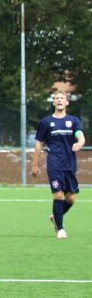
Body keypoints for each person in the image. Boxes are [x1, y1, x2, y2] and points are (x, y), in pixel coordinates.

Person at [31, 90, 85, 239]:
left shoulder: (73, 121)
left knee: (71, 198)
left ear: (67, 102)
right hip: (54, 163)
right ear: (54, 102)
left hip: (70, 164)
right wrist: (34, 165)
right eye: (57, 98)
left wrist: (79, 144)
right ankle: (60, 229)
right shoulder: (46, 122)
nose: (59, 100)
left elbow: (80, 136)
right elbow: (38, 145)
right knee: (58, 194)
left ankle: (55, 217)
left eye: (62, 98)